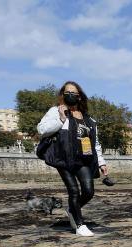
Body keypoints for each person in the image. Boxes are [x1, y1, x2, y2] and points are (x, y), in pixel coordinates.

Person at [37, 81, 108, 237]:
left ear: (79, 97)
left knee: (88, 191)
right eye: (66, 93)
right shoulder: (55, 111)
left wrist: (101, 162)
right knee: (74, 191)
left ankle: (71, 209)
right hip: (62, 158)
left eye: (73, 93)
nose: (70, 95)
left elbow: (95, 142)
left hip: (83, 158)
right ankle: (79, 225)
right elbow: (41, 129)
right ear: (62, 95)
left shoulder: (89, 120)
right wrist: (61, 119)